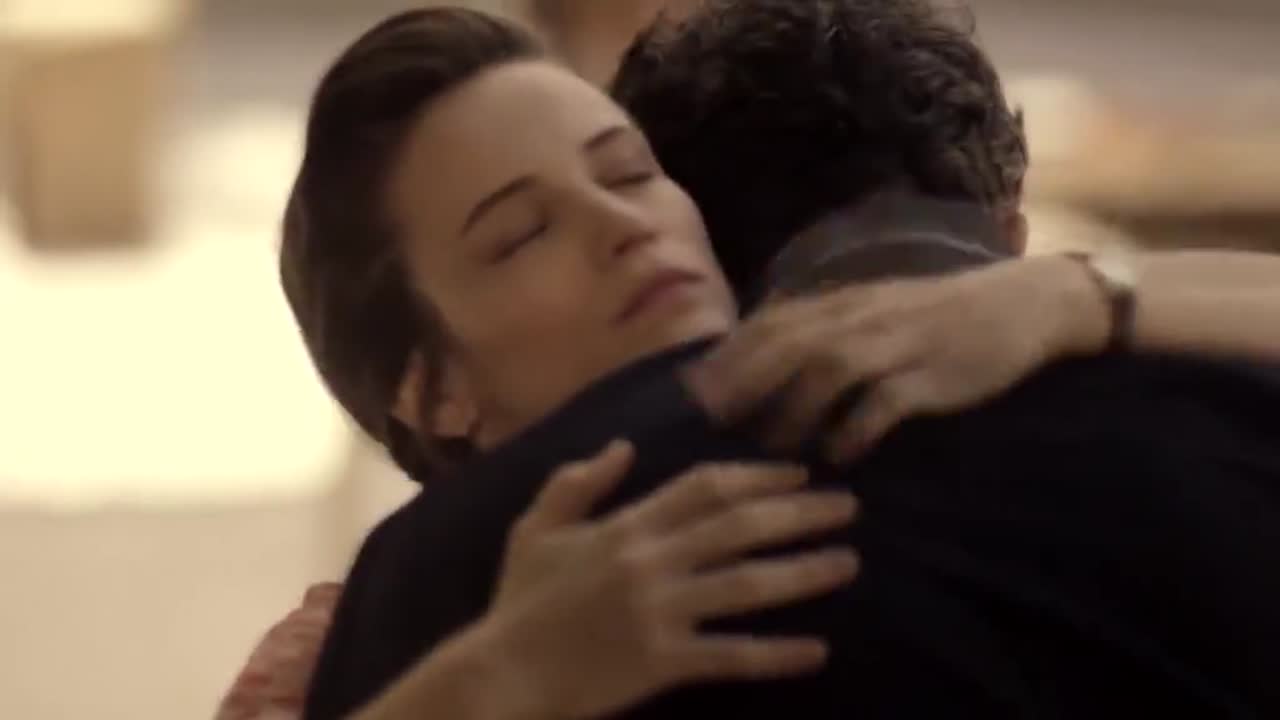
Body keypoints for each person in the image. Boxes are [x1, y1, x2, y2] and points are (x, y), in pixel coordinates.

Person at [265, 3, 1280, 718]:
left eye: (630, 173)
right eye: (521, 235)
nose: (622, 226)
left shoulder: (414, 593)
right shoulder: (410, 612)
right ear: (432, 391)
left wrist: (1077, 297)